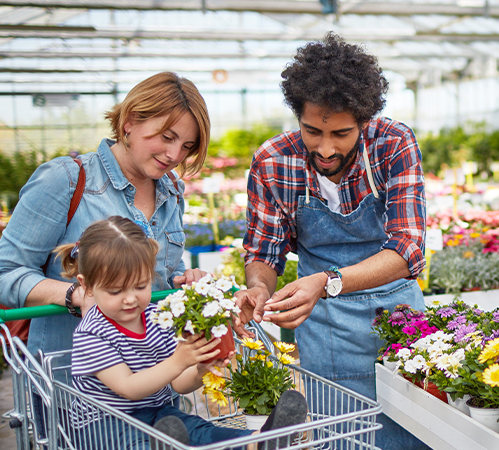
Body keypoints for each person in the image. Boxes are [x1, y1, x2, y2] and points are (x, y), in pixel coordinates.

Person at [234, 33, 429, 450]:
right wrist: (258, 288)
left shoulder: (392, 144)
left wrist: (327, 281)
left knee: (413, 433)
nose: (325, 148)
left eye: (341, 133)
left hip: (398, 320)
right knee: (344, 439)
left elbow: (408, 249)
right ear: (298, 116)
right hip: (326, 331)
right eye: (312, 130)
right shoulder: (273, 161)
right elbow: (263, 251)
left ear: (364, 118)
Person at [0, 72, 210, 365]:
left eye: (187, 146)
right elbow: (5, 272)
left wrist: (186, 280)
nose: (175, 154)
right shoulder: (67, 181)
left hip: (155, 378)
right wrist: (76, 294)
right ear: (130, 121)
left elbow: (164, 272)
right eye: (167, 137)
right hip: (74, 389)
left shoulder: (171, 190)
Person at [56, 216, 307, 450]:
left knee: (198, 430)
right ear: (86, 285)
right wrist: (179, 360)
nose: (130, 298)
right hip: (104, 424)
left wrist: (200, 369)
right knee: (142, 441)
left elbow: (178, 383)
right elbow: (128, 387)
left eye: (141, 286)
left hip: (159, 413)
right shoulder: (92, 332)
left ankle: (257, 442)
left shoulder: (157, 318)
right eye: (115, 291)